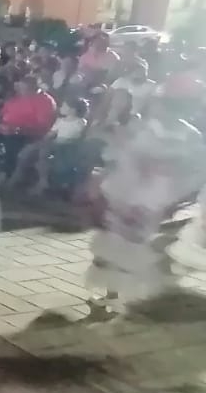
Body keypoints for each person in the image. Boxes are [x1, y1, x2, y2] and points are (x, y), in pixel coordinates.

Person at [85, 93, 206, 312]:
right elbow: (124, 157)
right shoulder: (146, 129)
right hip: (130, 192)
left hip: (158, 197)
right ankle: (113, 293)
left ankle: (128, 295)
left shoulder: (189, 135)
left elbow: (195, 169)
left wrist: (177, 193)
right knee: (113, 243)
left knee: (138, 247)